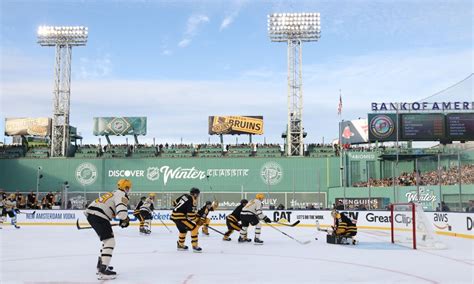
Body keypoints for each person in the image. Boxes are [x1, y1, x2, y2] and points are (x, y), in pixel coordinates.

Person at [84, 178, 131, 280]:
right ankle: (103, 270)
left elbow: (110, 207)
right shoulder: (121, 194)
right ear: (126, 187)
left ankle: (101, 264)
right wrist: (125, 219)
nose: (128, 190)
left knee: (107, 241)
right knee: (110, 242)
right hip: (99, 215)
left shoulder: (113, 193)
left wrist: (122, 220)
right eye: (128, 188)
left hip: (93, 214)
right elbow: (122, 212)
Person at [170, 188, 202, 252]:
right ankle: (195, 246)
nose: (198, 196)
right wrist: (197, 220)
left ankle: (180, 245)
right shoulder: (192, 200)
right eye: (197, 194)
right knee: (194, 228)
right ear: (195, 194)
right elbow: (191, 215)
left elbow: (173, 203)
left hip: (174, 216)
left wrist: (183, 210)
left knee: (183, 230)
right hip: (180, 217)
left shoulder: (184, 195)